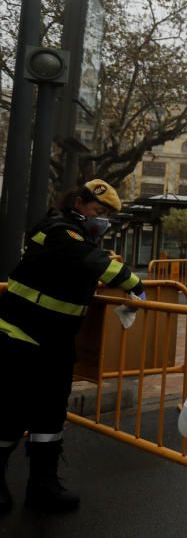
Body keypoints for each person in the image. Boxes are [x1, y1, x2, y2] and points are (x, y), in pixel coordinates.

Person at [0, 180, 145, 514]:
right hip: (20, 335)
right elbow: (95, 263)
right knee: (10, 413)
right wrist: (134, 283)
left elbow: (87, 263)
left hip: (56, 341)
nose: (102, 219)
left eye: (107, 215)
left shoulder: (80, 237)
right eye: (98, 211)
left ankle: (44, 487)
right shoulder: (58, 230)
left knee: (50, 416)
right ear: (79, 202)